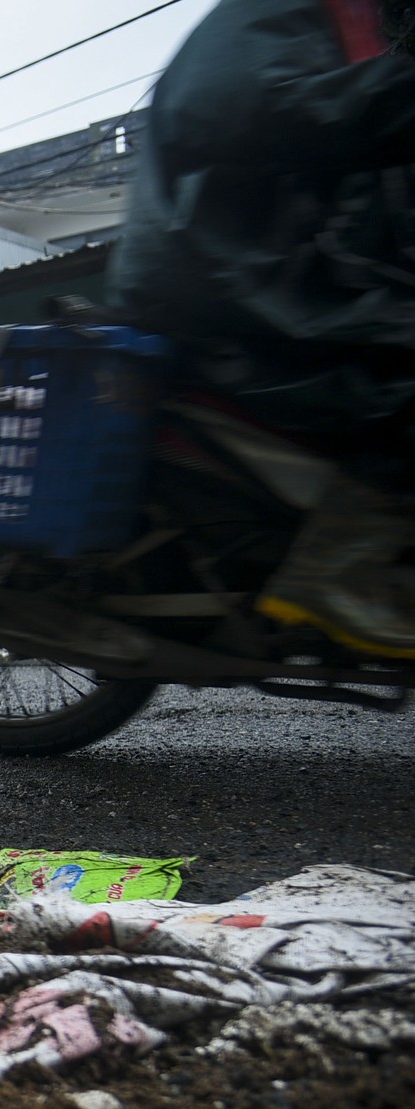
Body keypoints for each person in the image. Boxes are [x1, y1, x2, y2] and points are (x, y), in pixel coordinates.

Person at [110, 0, 415, 658]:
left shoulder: (364, 38)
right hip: (222, 281)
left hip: (284, 279)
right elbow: (244, 110)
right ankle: (336, 571)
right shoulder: (269, 14)